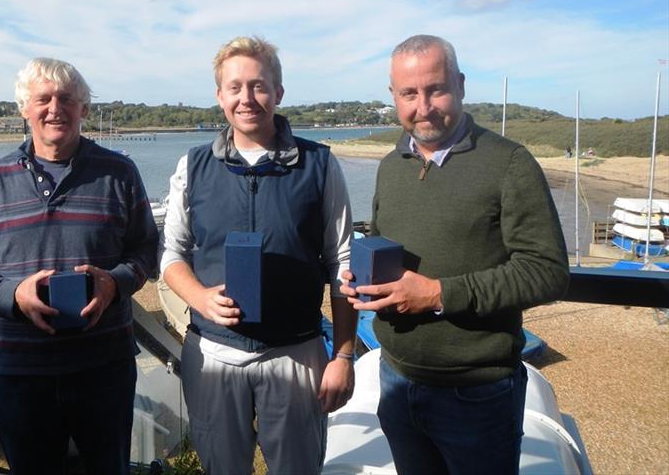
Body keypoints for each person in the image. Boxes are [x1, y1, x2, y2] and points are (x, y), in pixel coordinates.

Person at [340, 35, 569, 475]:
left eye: (436, 89)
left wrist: (439, 294)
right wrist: (362, 281)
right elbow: (385, 247)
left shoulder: (510, 163)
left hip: (477, 394)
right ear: (393, 96)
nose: (423, 107)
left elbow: (547, 272)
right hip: (395, 379)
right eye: (409, 93)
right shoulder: (391, 166)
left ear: (461, 85)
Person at [0, 58, 158, 475]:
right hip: (22, 373)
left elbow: (147, 249)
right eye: (43, 99)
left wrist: (114, 283)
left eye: (67, 99)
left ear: (83, 108)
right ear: (25, 109)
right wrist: (13, 294)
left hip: (105, 370)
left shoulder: (120, 173)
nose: (55, 108)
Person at [161, 36, 357, 474]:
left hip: (296, 353)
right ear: (219, 96)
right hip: (213, 353)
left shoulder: (320, 164)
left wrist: (343, 356)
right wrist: (199, 297)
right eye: (235, 87)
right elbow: (171, 255)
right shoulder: (192, 165)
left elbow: (342, 262)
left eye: (259, 86)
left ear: (279, 93)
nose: (246, 98)